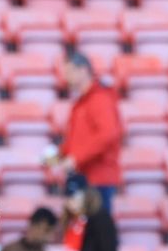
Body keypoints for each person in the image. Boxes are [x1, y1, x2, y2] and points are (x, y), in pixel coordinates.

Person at [53, 52, 123, 214]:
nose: (66, 77)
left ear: (83, 70)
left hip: (97, 178)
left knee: (96, 224)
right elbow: (77, 138)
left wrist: (76, 158)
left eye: (69, 72)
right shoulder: (83, 102)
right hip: (85, 176)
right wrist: (61, 154)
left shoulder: (98, 99)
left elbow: (108, 134)